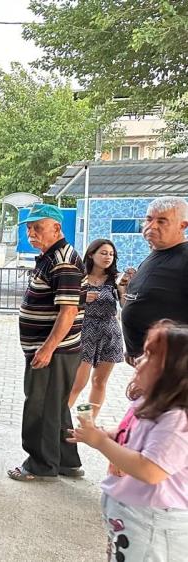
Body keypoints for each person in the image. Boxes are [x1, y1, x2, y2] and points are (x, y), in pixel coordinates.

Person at [68, 320, 188, 561]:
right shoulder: (147, 400)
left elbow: (151, 469)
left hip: (154, 521)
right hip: (131, 516)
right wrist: (108, 434)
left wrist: (101, 443)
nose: (139, 360)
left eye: (150, 356)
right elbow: (134, 432)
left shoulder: (176, 419)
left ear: (175, 371)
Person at [8, 203, 86, 482]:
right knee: (56, 407)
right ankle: (66, 461)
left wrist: (47, 348)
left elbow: (68, 312)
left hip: (54, 352)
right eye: (29, 227)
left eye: (38, 227)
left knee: (40, 408)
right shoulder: (51, 256)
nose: (32, 232)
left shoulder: (62, 260)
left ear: (56, 227)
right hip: (56, 351)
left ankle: (40, 465)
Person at [120, 196, 188, 364]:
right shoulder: (156, 255)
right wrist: (132, 349)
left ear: (182, 225)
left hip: (173, 367)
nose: (152, 226)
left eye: (162, 221)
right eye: (149, 219)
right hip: (146, 365)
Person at [68, 239, 125, 419]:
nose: (108, 257)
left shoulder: (115, 279)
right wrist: (83, 298)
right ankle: (60, 418)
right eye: (103, 253)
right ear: (91, 254)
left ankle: (88, 422)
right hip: (85, 332)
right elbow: (66, 304)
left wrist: (123, 288)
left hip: (110, 333)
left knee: (99, 382)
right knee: (78, 382)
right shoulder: (79, 277)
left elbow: (124, 305)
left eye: (111, 254)